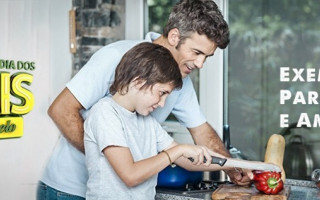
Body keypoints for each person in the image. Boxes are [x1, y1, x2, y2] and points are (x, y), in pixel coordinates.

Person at [37, 0, 251, 199]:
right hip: (69, 189)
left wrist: (232, 167)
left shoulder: (181, 83)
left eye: (207, 57)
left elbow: (201, 132)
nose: (200, 64)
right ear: (175, 36)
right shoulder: (117, 57)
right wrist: (117, 160)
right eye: (196, 52)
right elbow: (61, 110)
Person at [84, 42, 213, 199]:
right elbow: (130, 175)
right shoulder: (105, 113)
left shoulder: (147, 122)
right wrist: (178, 150)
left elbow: (186, 161)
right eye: (162, 93)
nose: (162, 103)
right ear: (139, 82)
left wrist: (236, 166)